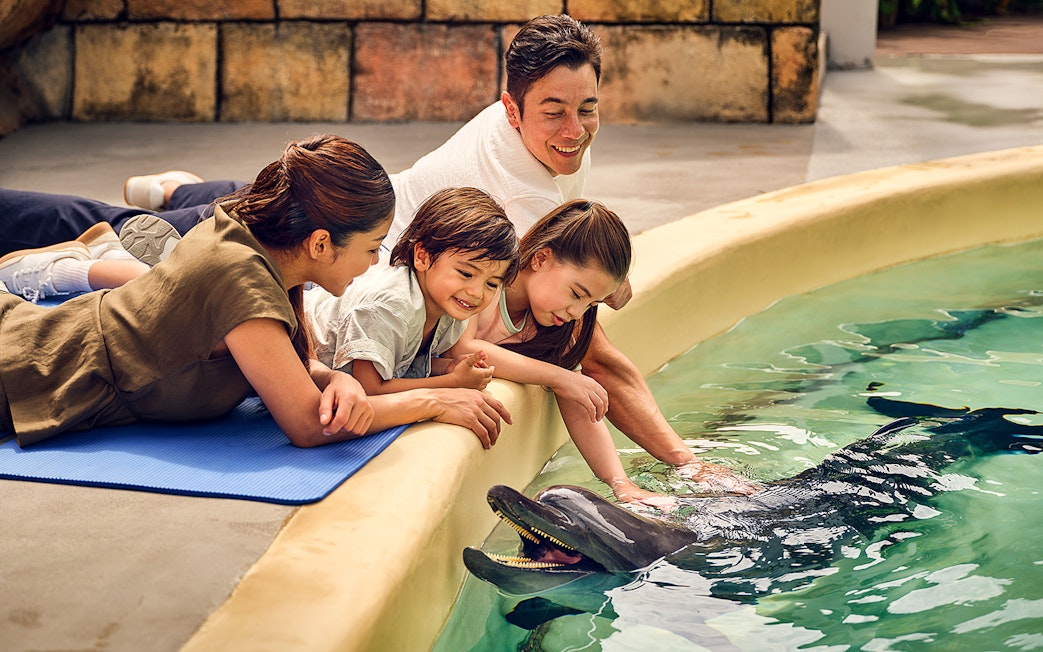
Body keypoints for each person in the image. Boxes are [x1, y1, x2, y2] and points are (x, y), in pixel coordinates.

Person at [0, 134, 510, 449]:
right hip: (28, 367)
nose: (376, 262)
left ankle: (81, 263)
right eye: (373, 247)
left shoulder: (263, 249)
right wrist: (436, 402)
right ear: (320, 243)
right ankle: (68, 267)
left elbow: (291, 366)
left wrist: (336, 378)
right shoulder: (241, 280)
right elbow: (310, 425)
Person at [444, 201, 758, 504]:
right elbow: (465, 347)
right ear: (540, 259)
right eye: (576, 293)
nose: (577, 311)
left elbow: (582, 402)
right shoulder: (489, 278)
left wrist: (621, 483)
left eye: (591, 304)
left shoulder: (551, 326)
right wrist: (559, 377)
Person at [306, 186, 519, 395]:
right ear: (423, 257)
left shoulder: (448, 309)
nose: (477, 293)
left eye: (491, 284)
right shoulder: (390, 307)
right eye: (465, 273)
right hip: (296, 340)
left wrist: (448, 367)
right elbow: (369, 389)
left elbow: (401, 360)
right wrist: (452, 382)